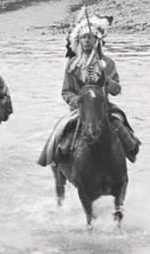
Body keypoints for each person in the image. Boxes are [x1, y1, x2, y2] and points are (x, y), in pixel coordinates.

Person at [37, 12, 141, 166]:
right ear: (79, 41)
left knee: (126, 136)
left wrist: (108, 81)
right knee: (61, 136)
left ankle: (129, 155)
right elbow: (66, 91)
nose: (86, 40)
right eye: (83, 37)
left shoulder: (108, 63)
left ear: (97, 40)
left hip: (104, 108)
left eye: (90, 37)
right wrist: (76, 100)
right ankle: (56, 162)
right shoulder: (72, 64)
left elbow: (116, 90)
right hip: (79, 110)